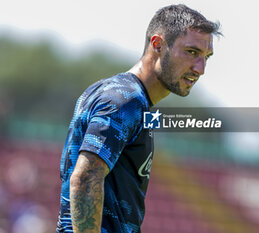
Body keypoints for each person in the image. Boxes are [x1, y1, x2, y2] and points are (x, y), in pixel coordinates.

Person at [56, 4, 221, 233]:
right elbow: (85, 177)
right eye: (191, 52)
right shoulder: (125, 100)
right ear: (157, 44)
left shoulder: (121, 95)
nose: (200, 68)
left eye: (206, 57)